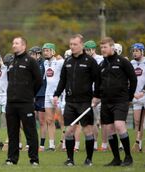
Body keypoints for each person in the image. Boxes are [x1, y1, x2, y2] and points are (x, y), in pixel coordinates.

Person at [53, 34, 100, 166]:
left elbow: (98, 80)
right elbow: (62, 80)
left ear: (81, 45)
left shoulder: (90, 61)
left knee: (87, 131)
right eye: (71, 45)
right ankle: (70, 160)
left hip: (85, 102)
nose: (72, 47)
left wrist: (96, 96)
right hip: (70, 102)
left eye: (75, 44)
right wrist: (56, 94)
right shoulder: (67, 61)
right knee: (69, 131)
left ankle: (89, 159)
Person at [98, 37, 137, 166]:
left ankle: (128, 157)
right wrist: (96, 96)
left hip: (120, 100)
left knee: (119, 125)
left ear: (112, 47)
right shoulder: (101, 65)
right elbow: (98, 84)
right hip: (105, 102)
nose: (103, 49)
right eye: (101, 47)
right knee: (109, 130)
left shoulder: (123, 62)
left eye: (105, 47)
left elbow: (133, 79)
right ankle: (116, 159)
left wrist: (129, 98)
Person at [5, 37, 42, 166]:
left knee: (30, 132)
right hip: (11, 103)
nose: (14, 45)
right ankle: (11, 159)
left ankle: (34, 159)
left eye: (17, 43)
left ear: (24, 46)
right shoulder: (11, 61)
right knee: (12, 132)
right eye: (13, 43)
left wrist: (30, 94)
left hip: (25, 103)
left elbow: (39, 80)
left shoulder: (31, 61)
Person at [42, 43, 64, 151]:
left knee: (61, 120)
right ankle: (51, 145)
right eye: (44, 50)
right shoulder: (45, 63)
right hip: (47, 94)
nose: (45, 52)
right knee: (49, 120)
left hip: (57, 95)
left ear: (53, 51)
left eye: (47, 50)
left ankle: (65, 143)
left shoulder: (60, 62)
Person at [84, 40, 104, 151]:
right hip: (88, 93)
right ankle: (95, 143)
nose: (86, 52)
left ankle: (107, 143)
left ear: (93, 49)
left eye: (88, 49)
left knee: (102, 120)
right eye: (85, 49)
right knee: (92, 120)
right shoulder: (85, 59)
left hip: (99, 93)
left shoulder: (100, 59)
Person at [28, 46, 46, 152]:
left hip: (42, 95)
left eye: (33, 54)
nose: (31, 56)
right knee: (30, 120)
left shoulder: (44, 64)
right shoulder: (30, 64)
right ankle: (31, 143)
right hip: (32, 95)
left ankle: (42, 145)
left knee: (42, 121)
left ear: (38, 54)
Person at [130, 43, 145, 153]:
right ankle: (138, 143)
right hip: (136, 96)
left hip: (144, 95)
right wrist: (132, 93)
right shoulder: (131, 63)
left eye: (137, 51)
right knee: (137, 121)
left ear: (142, 52)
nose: (134, 52)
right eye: (133, 51)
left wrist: (143, 91)